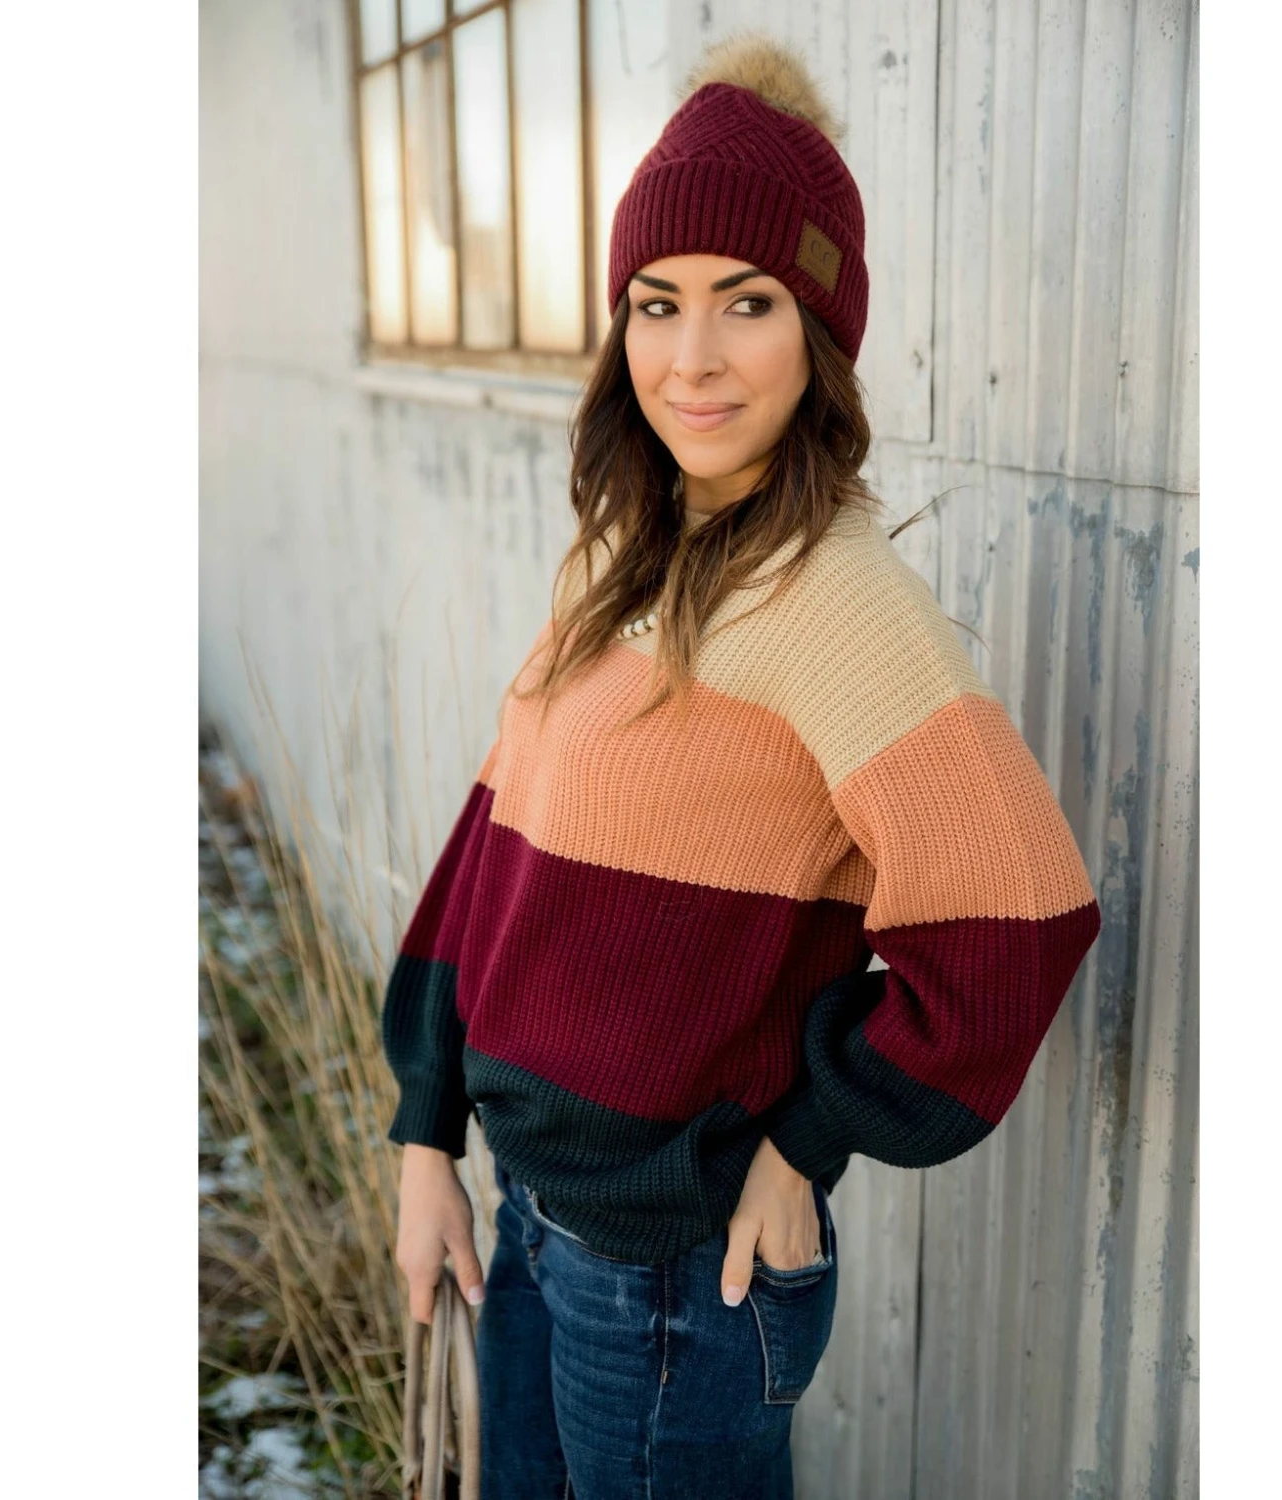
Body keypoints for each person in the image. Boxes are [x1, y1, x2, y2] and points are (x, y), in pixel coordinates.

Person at [381, 30, 1100, 1500]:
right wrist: (425, 1130)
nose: (691, 357)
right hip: (535, 1220)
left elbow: (1017, 921)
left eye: (748, 303)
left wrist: (804, 1141)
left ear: (819, 332)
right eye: (656, 304)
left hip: (671, 1282)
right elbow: (495, 846)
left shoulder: (834, 599)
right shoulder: (625, 559)